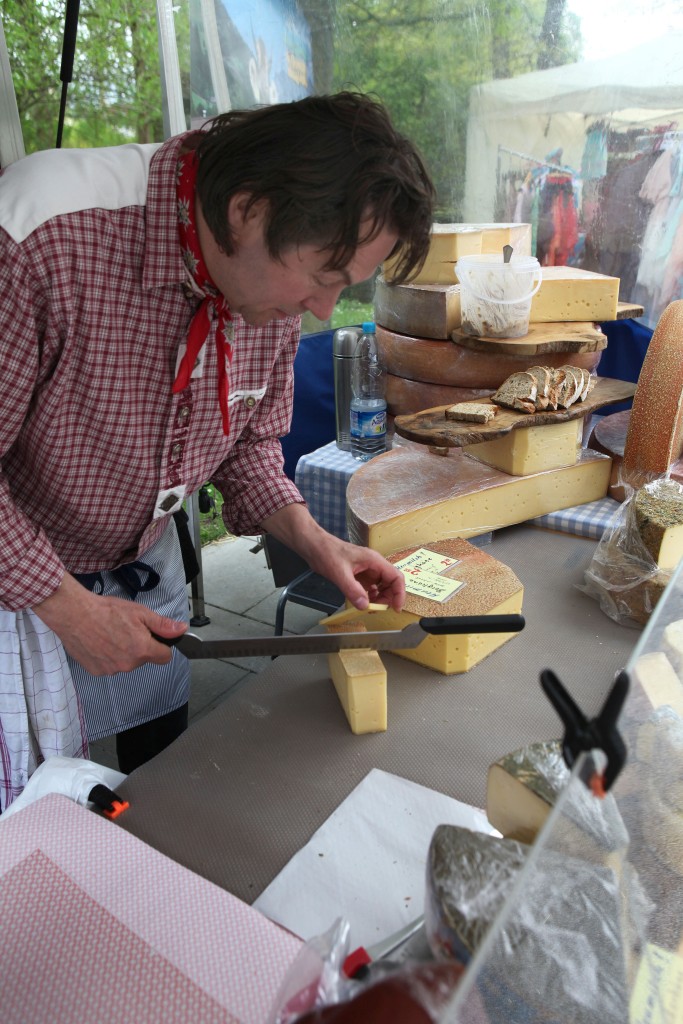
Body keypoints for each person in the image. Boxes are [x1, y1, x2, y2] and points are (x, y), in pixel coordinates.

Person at [0, 91, 434, 803]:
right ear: (247, 210)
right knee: (32, 808)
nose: (324, 310)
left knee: (158, 785)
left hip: (144, 563)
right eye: (324, 278)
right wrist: (69, 609)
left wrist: (315, 541)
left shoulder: (267, 284)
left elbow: (249, 447)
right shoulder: (42, 237)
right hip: (19, 584)